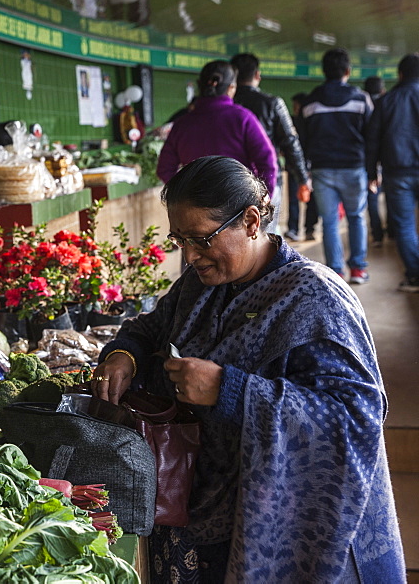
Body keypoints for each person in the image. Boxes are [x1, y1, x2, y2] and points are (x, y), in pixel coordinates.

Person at [91, 156, 405, 582]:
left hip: (287, 526)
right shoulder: (199, 286)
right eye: (179, 240)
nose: (189, 256)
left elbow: (355, 417)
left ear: (252, 221)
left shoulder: (314, 299)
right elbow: (149, 329)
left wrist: (230, 390)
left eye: (201, 239)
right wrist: (122, 355)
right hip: (206, 515)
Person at [300, 48, 373, 283]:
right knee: (356, 217)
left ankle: (336, 272)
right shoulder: (361, 99)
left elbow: (303, 138)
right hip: (354, 167)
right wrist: (373, 170)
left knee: (329, 222)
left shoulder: (310, 102)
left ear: (324, 72)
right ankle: (359, 269)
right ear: (347, 71)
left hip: (322, 170)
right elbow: (372, 135)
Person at [156, 60, 277, 193]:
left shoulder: (181, 124)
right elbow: (267, 161)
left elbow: (164, 169)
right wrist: (264, 196)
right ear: (231, 88)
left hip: (196, 206)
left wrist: (186, 193)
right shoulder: (243, 118)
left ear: (199, 85)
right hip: (239, 201)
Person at [229, 53, 311, 237]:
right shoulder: (272, 103)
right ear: (257, 75)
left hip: (230, 178)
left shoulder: (226, 105)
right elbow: (291, 142)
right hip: (266, 179)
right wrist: (303, 178)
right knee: (266, 234)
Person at [366, 54, 419, 292]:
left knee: (405, 226)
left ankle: (415, 276)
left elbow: (372, 140)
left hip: (397, 173)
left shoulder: (387, 101)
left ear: (400, 74)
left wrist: (371, 172)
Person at [288, 92, 320, 241]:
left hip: (308, 165)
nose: (295, 108)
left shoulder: (309, 121)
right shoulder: (292, 121)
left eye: (297, 105)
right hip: (295, 166)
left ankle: (308, 228)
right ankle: (295, 228)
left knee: (310, 199)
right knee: (295, 199)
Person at [363, 76, 389, 246]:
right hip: (389, 159)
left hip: (367, 159)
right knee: (393, 199)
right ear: (382, 90)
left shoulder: (363, 104)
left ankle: (377, 235)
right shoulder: (388, 104)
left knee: (372, 200)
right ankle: (392, 231)